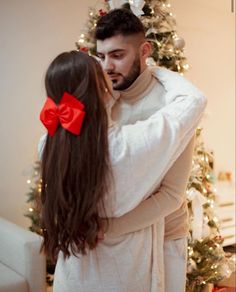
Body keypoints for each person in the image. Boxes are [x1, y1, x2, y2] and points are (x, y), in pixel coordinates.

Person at [39, 50, 206, 292]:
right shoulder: (128, 147)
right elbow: (193, 101)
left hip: (73, 277)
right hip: (123, 276)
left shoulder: (48, 144)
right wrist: (152, 68)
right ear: (102, 91)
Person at [95, 8, 200, 291]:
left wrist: (105, 228)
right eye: (101, 56)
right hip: (110, 241)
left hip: (163, 237)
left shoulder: (172, 105)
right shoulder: (101, 99)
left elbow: (171, 194)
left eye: (117, 55)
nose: (107, 67)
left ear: (144, 50)